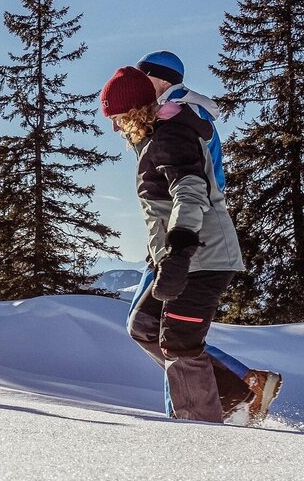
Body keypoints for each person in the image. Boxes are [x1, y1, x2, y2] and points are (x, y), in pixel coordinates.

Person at [100, 65, 281, 424]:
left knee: (180, 341)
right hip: (177, 255)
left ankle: (198, 432)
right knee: (144, 326)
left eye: (119, 117)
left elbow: (190, 190)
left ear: (137, 110)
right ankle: (238, 395)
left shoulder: (171, 136)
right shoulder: (156, 136)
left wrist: (180, 251)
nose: (115, 127)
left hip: (202, 255)